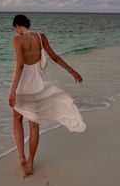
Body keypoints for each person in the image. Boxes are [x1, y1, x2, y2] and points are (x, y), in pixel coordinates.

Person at [8, 14, 87, 177]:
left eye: (15, 28)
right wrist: (72, 71)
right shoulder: (40, 37)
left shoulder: (17, 40)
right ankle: (30, 162)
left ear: (18, 26)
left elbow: (20, 64)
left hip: (24, 83)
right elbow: (55, 57)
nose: (15, 31)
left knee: (17, 118)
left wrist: (12, 90)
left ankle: (21, 157)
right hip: (38, 82)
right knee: (34, 123)